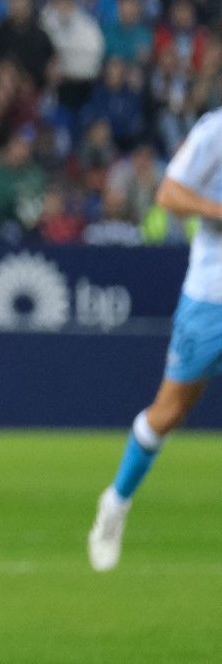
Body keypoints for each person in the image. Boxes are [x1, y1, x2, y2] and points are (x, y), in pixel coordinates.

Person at [87, 109, 222, 570]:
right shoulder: (215, 131)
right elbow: (169, 193)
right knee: (170, 411)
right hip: (210, 300)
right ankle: (116, 501)